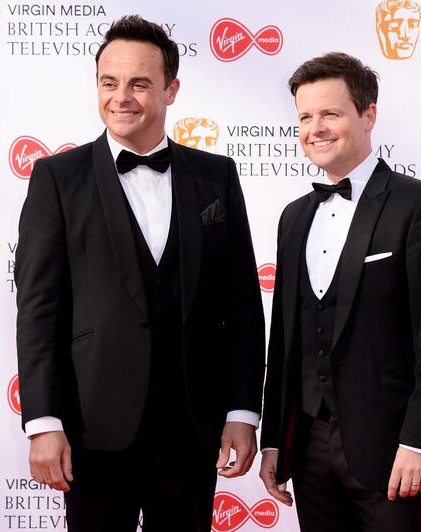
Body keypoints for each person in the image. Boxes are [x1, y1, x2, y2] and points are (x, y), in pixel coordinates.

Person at [15, 15, 265, 532]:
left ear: (172, 90)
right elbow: (38, 310)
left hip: (194, 430)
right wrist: (43, 423)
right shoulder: (58, 179)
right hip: (92, 428)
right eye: (109, 83)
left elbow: (241, 305)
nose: (121, 96)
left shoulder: (216, 176)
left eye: (139, 83)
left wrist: (242, 412)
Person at [259, 52, 421, 532]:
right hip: (309, 449)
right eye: (305, 116)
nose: (316, 128)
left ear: (368, 115)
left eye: (330, 113)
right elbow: (285, 340)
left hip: (394, 451)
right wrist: (274, 439)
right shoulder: (294, 217)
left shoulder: (420, 205)